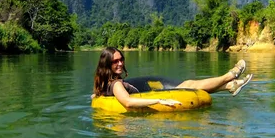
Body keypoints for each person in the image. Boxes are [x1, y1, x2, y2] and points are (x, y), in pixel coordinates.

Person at [92, 47, 253, 109]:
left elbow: (96, 94)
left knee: (189, 83)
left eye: (121, 59)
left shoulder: (104, 81)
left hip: (148, 92)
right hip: (154, 98)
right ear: (107, 64)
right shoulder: (115, 84)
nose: (120, 63)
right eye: (115, 61)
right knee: (190, 84)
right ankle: (229, 76)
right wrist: (159, 101)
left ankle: (229, 86)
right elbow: (127, 101)